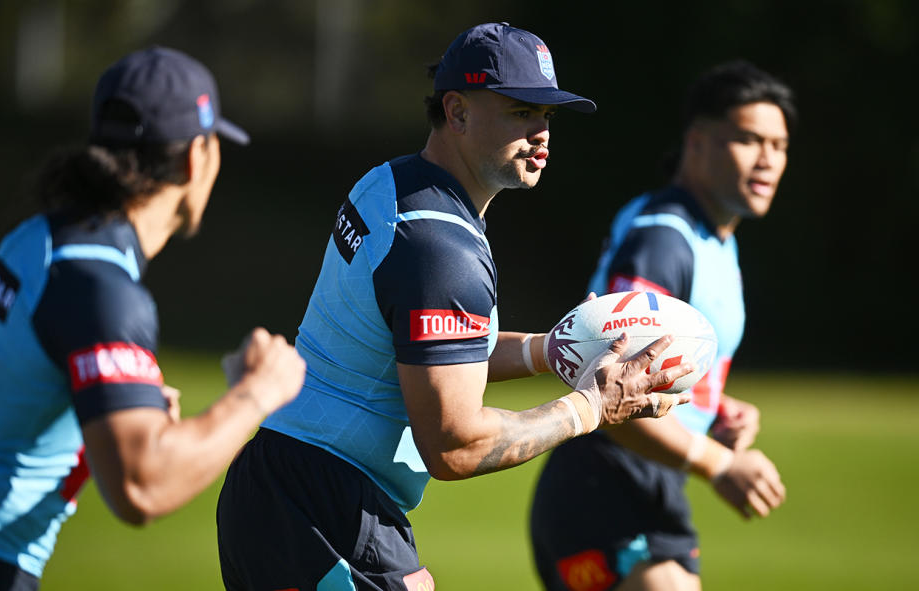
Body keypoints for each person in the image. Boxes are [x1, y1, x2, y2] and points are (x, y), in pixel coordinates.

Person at [216, 22, 696, 591]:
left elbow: (428, 355)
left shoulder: (394, 183)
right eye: (522, 111)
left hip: (290, 487)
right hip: (321, 508)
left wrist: (551, 348)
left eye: (548, 115)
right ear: (458, 111)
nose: (542, 133)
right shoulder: (438, 247)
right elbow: (454, 445)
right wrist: (590, 409)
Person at [0, 47, 306, 590]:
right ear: (198, 158)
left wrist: (103, 418)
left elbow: (9, 402)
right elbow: (142, 488)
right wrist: (259, 392)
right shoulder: (101, 288)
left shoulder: (40, 239)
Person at [529, 60, 795, 591]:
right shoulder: (663, 241)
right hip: (604, 484)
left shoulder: (712, 238)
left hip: (645, 483)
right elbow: (616, 390)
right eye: (748, 139)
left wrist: (711, 410)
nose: (767, 159)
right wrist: (719, 463)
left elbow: (664, 369)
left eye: (780, 145)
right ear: (697, 142)